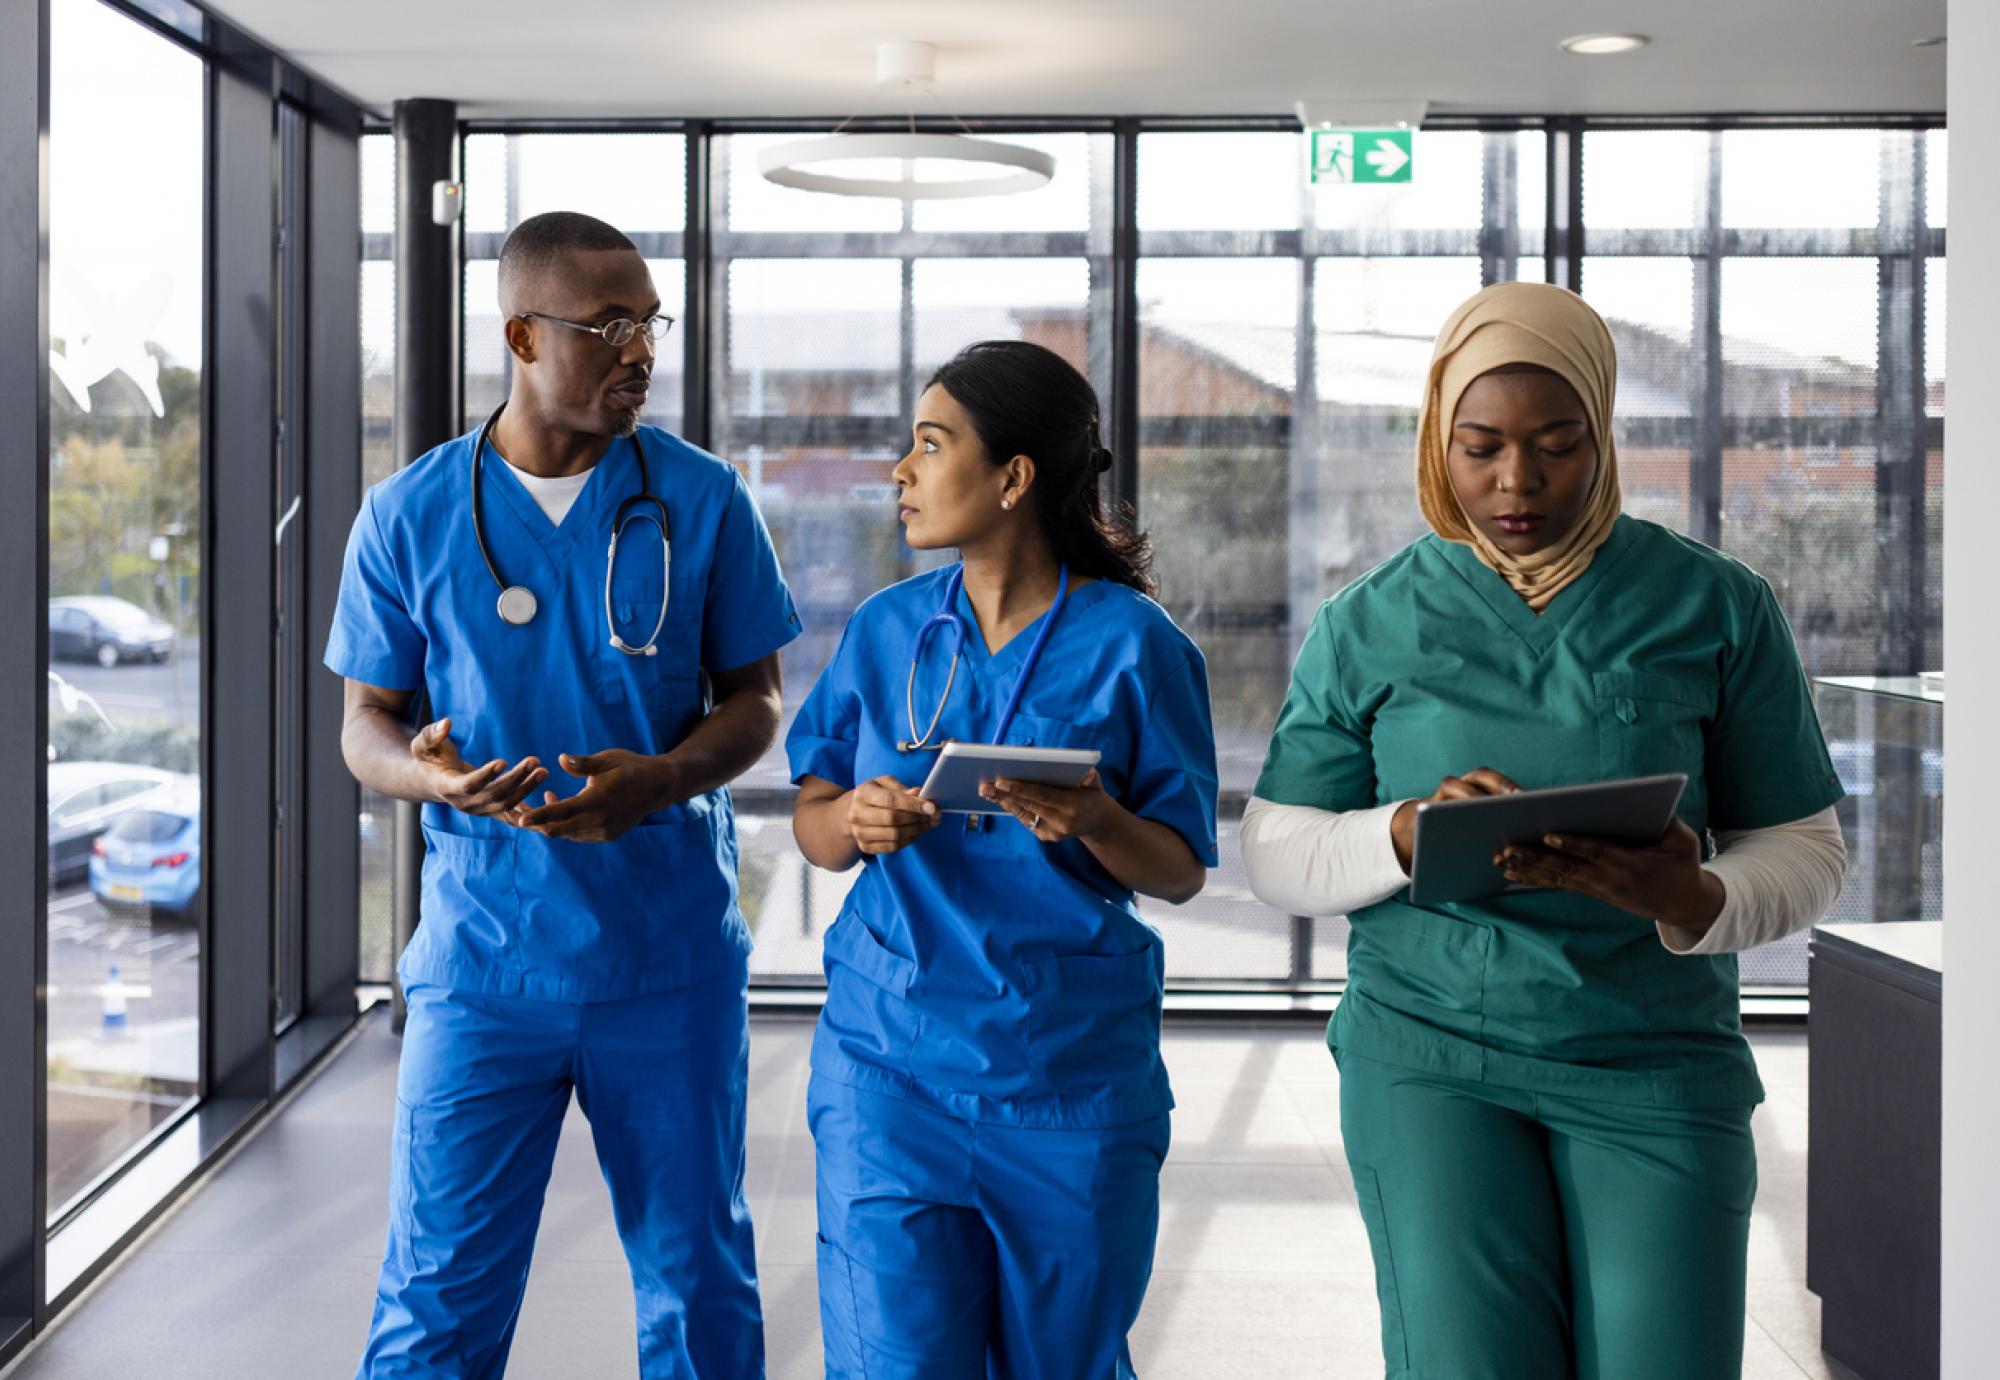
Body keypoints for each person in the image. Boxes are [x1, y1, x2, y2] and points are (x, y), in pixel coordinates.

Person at [1241, 281, 1848, 1380]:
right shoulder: (1369, 620)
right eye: (1477, 447)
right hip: (1429, 1054)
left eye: (1555, 445)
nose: (1513, 481)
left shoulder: (1714, 606)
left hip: (1651, 1055)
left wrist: (1693, 895)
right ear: (1436, 438)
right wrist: (1400, 833)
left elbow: (1804, 848)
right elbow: (1277, 847)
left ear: (1602, 436)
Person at [326, 211, 800, 1378]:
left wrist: (668, 777)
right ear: (522, 336)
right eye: (611, 327)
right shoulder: (408, 515)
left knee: (696, 1286)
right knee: (436, 1295)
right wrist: (424, 773)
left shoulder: (703, 499)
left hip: (666, 961)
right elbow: (364, 729)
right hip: (483, 968)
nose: (642, 351)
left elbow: (756, 700)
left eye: (651, 325)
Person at [786, 340, 1220, 1378]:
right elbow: (810, 815)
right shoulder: (889, 630)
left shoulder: (1134, 644)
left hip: (1068, 1078)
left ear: (1012, 477)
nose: (900, 469)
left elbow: (1178, 867)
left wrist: (1096, 821)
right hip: (887, 1064)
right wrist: (857, 819)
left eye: (930, 445)